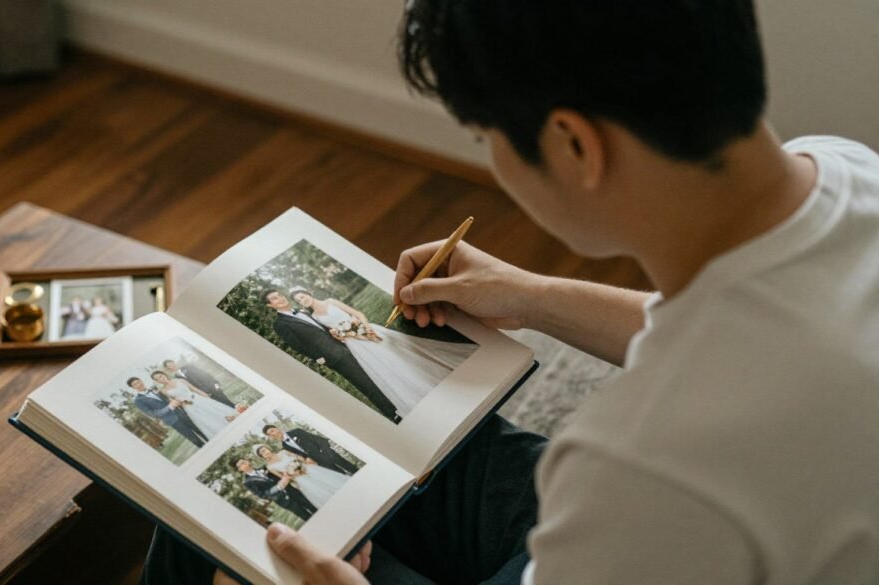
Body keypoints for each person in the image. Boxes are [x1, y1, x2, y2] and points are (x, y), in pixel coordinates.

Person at [146, 1, 879, 584]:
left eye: (483, 135)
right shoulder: (847, 172)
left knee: (213, 532)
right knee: (419, 457)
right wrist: (526, 294)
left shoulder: (646, 464)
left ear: (572, 144)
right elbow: (742, 341)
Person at [291, 288, 476, 417]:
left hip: (369, 330)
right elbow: (336, 335)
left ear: (309, 294)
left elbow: (357, 313)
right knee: (384, 366)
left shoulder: (330, 301)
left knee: (399, 352)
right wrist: (347, 334)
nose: (303, 300)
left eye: (303, 296)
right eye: (299, 300)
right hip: (356, 344)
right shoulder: (314, 317)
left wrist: (364, 327)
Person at [261, 289, 400, 422]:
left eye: (279, 295)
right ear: (270, 305)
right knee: (364, 382)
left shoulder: (303, 311)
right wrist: (321, 359)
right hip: (334, 357)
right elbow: (298, 346)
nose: (280, 298)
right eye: (274, 298)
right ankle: (392, 413)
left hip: (348, 344)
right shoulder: (280, 324)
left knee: (374, 372)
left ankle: (397, 399)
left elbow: (326, 328)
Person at [255, 444, 350, 510]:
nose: (265, 452)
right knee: (319, 490)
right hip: (299, 478)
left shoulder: (283, 452)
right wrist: (294, 474)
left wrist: (301, 463)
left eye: (264, 450)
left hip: (308, 469)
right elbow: (283, 477)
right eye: (262, 453)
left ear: (268, 448)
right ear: (262, 456)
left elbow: (297, 457)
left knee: (329, 481)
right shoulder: (270, 466)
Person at [151, 370, 236, 440]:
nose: (161, 379)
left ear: (164, 374)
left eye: (160, 376)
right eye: (157, 379)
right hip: (189, 407)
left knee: (216, 413)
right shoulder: (164, 391)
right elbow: (174, 401)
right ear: (157, 382)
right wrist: (182, 402)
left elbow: (194, 389)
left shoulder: (180, 380)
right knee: (207, 421)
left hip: (199, 399)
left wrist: (206, 397)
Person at [130, 376, 208, 448]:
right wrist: (169, 407)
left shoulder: (154, 389)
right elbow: (152, 414)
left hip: (181, 413)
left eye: (139, 381)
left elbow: (168, 397)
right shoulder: (138, 401)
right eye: (135, 384)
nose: (139, 384)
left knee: (199, 430)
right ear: (133, 387)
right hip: (172, 420)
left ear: (141, 381)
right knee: (192, 437)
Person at [233, 457, 318, 522]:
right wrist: (278, 487)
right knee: (306, 517)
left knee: (313, 507)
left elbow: (280, 474)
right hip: (284, 500)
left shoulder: (264, 468)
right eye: (240, 465)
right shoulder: (248, 482)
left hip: (293, 491)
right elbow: (263, 495)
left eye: (243, 461)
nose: (243, 463)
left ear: (247, 461)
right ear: (239, 469)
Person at [263, 423, 359, 476]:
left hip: (327, 454)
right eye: (270, 434)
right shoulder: (285, 447)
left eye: (272, 431)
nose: (273, 434)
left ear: (277, 428)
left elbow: (316, 439)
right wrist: (307, 459)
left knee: (352, 469)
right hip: (319, 463)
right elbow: (299, 456)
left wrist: (325, 450)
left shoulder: (296, 431)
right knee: (341, 476)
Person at [162, 359, 236, 408]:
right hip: (202, 394)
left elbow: (204, 374)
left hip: (211, 387)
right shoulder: (176, 378)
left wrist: (215, 383)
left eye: (172, 364)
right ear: (168, 369)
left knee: (227, 402)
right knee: (220, 406)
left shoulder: (188, 366)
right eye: (169, 366)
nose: (172, 366)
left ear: (174, 363)